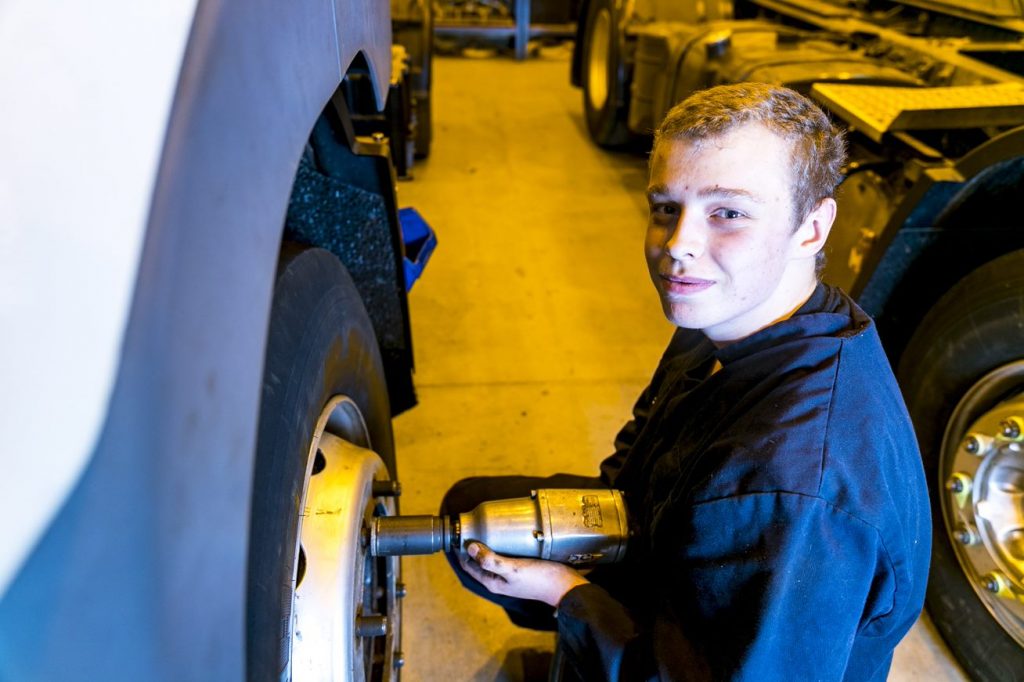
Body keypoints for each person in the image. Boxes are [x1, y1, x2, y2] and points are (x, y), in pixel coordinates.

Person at [442, 82, 931, 680]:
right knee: (475, 512)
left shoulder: (793, 487)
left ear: (812, 227)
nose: (678, 247)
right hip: (677, 531)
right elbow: (639, 446)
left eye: (727, 213)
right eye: (667, 208)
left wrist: (567, 595)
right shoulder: (740, 313)